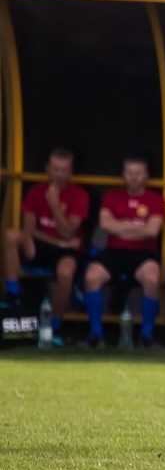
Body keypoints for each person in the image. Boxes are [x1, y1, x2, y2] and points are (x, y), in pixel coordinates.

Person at [3, 148, 89, 346]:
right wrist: (58, 242)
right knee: (11, 235)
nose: (59, 174)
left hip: (69, 251)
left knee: (66, 272)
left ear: (71, 172)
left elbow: (68, 233)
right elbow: (29, 231)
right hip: (42, 246)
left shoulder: (80, 195)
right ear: (47, 169)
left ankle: (53, 327)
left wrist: (54, 204)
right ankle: (12, 294)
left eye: (64, 170)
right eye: (55, 169)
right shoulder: (36, 191)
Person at [81, 154, 165, 348]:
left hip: (143, 252)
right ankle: (95, 334)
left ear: (146, 175)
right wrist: (137, 228)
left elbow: (152, 231)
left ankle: (146, 336)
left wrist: (120, 227)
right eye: (130, 173)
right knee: (91, 277)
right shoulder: (111, 196)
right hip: (114, 250)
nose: (134, 177)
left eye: (138, 173)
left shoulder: (156, 199)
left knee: (152, 279)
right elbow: (105, 224)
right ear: (123, 174)